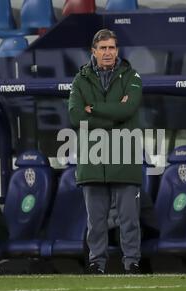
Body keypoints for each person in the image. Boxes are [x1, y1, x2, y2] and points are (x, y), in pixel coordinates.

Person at [68, 29, 143, 274]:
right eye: (103, 48)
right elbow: (75, 116)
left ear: (117, 50)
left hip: (124, 156)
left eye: (111, 48)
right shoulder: (79, 80)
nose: (108, 52)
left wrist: (94, 109)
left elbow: (128, 109)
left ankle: (131, 262)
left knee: (129, 219)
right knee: (95, 222)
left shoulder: (132, 76)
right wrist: (112, 116)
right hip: (93, 159)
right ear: (94, 51)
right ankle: (96, 264)